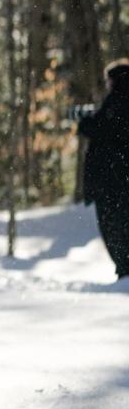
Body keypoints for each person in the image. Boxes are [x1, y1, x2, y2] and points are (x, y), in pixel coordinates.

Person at [78, 60, 129, 280]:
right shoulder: (116, 102)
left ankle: (124, 268)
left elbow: (105, 130)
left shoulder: (118, 102)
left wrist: (85, 123)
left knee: (114, 226)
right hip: (115, 180)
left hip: (112, 182)